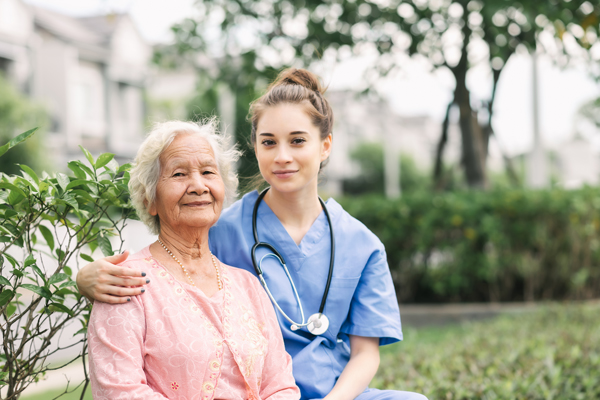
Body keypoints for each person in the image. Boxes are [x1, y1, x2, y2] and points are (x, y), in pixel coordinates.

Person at [78, 69, 427, 400]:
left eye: (298, 141)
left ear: (325, 146)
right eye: (269, 142)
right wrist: (84, 277)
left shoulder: (361, 245)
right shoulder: (221, 227)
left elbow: (365, 354)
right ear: (255, 148)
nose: (283, 156)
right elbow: (167, 259)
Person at [87, 120, 299, 399]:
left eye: (208, 172)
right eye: (179, 174)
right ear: (149, 198)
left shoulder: (248, 286)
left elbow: (280, 385)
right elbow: (120, 391)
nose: (198, 185)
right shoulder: (124, 283)